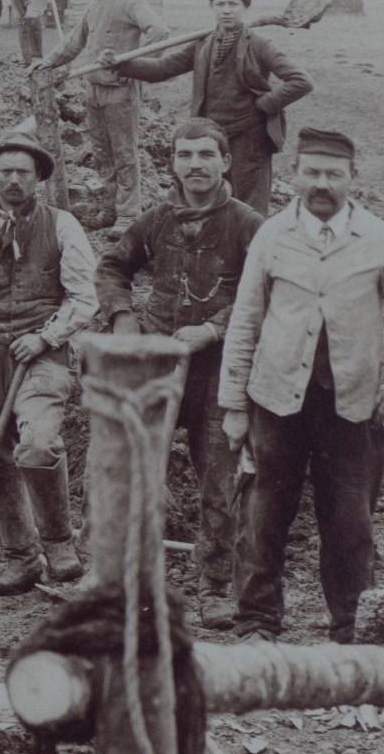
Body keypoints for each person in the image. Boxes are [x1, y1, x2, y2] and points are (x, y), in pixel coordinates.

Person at [214, 128, 384, 643]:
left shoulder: (377, 238)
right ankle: (257, 624)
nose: (322, 184)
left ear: (353, 178)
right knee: (263, 517)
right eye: (312, 172)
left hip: (353, 409)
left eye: (334, 174)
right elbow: (245, 320)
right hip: (276, 403)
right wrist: (234, 404)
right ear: (295, 175)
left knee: (350, 525)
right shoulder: (272, 235)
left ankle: (352, 629)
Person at [96, 119, 264, 603]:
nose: (195, 165)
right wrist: (123, 316)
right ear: (172, 162)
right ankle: (132, 578)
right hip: (158, 365)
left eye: (205, 155)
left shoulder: (248, 224)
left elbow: (268, 290)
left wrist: (214, 328)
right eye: (185, 155)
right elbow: (112, 266)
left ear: (225, 162)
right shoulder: (156, 220)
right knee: (137, 470)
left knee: (219, 476)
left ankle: (214, 584)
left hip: (220, 371)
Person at [0, 136, 98, 595]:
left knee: (39, 444)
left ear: (39, 179)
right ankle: (19, 555)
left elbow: (85, 296)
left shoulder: (63, 226)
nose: (12, 180)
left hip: (43, 351)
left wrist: (46, 336)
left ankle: (58, 542)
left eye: (22, 172)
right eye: (5, 171)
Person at [108, 0, 311, 212]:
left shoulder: (259, 44)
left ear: (245, 8)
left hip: (249, 140)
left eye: (233, 4)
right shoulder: (203, 43)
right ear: (212, 8)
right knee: (207, 202)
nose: (226, 11)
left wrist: (264, 105)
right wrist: (121, 64)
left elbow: (301, 81)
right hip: (208, 139)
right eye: (220, 4)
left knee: (248, 208)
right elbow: (163, 69)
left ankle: (249, 248)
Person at [38, 0, 163, 228]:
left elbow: (159, 32)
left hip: (120, 92)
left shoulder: (131, 1)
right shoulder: (97, 2)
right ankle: (110, 208)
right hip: (93, 89)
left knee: (124, 153)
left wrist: (133, 65)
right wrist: (47, 63)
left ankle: (128, 214)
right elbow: (74, 40)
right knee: (102, 152)